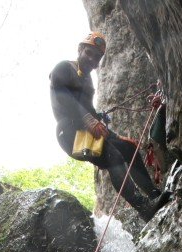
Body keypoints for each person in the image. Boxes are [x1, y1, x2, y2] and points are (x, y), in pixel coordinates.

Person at [49, 31, 171, 221]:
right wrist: (89, 120)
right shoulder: (64, 69)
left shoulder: (88, 82)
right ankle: (143, 207)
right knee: (112, 155)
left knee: (128, 148)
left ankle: (153, 195)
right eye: (89, 53)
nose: (92, 59)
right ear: (80, 49)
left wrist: (116, 137)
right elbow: (64, 97)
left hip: (83, 130)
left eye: (97, 57)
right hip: (69, 133)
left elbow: (90, 113)